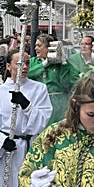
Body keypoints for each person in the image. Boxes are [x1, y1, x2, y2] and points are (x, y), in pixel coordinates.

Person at [0, 49, 52, 187]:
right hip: (7, 150)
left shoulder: (40, 89)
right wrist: (3, 141)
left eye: (27, 63)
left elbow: (42, 121)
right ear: (8, 66)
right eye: (20, 63)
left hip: (29, 149)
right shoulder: (1, 91)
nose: (24, 67)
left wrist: (26, 105)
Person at [28, 34, 80, 125]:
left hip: (58, 102)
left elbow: (65, 84)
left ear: (49, 48)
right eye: (36, 45)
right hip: (39, 100)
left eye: (39, 46)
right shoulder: (33, 61)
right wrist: (44, 64)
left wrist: (64, 64)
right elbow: (28, 74)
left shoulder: (59, 64)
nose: (36, 48)